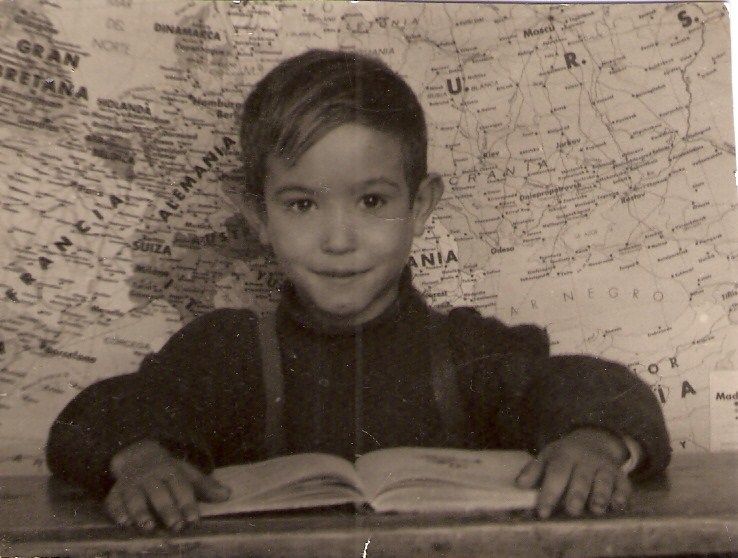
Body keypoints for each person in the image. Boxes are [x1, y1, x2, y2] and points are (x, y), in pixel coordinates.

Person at [46, 49, 671, 532]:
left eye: (372, 201)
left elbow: (601, 388)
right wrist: (143, 461)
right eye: (301, 204)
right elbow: (96, 413)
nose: (338, 240)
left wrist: (589, 444)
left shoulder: (468, 352)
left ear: (420, 207)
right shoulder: (226, 354)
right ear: (258, 214)